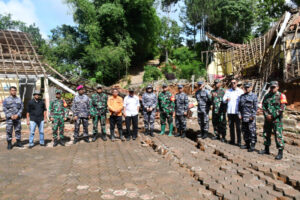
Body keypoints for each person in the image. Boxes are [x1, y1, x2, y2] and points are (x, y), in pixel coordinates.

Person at [259, 81, 287, 160]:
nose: (272, 88)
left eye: (274, 87)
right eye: (271, 87)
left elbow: (282, 108)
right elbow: (263, 106)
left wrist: (273, 115)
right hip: (267, 119)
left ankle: (280, 152)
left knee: (278, 135)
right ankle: (266, 149)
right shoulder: (267, 96)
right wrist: (266, 115)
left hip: (276, 120)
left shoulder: (281, 95)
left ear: (278, 87)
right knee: (266, 134)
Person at [223, 78, 244, 146]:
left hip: (237, 112)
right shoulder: (228, 91)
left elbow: (243, 102)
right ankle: (232, 140)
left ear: (237, 83)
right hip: (230, 112)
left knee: (238, 127)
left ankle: (239, 141)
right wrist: (226, 99)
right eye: (232, 83)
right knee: (231, 127)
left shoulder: (240, 91)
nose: (233, 84)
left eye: (234, 83)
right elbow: (223, 100)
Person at [238, 82, 258, 152]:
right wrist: (239, 114)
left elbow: (255, 108)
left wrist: (253, 115)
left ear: (251, 88)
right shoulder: (242, 96)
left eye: (248, 87)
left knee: (252, 131)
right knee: (244, 131)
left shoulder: (254, 96)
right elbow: (239, 107)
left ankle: (252, 145)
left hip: (250, 117)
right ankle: (247, 144)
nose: (246, 88)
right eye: (245, 87)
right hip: (243, 117)